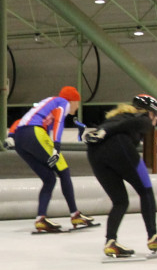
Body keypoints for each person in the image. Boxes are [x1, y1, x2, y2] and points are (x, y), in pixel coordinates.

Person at [85, 94, 157, 258]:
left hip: (94, 153)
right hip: (119, 146)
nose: (154, 122)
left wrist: (100, 131)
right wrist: (104, 131)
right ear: (151, 112)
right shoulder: (143, 118)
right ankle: (153, 237)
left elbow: (118, 124)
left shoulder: (115, 116)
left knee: (120, 201)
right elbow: (132, 123)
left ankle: (111, 241)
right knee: (146, 191)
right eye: (156, 117)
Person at [9, 85, 94, 232]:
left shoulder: (47, 104)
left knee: (49, 178)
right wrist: (57, 145)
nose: (77, 107)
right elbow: (59, 122)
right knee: (64, 170)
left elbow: (22, 120)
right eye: (77, 103)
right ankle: (75, 214)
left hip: (20, 138)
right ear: (73, 100)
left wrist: (10, 136)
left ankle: (41, 219)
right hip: (34, 132)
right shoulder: (62, 102)